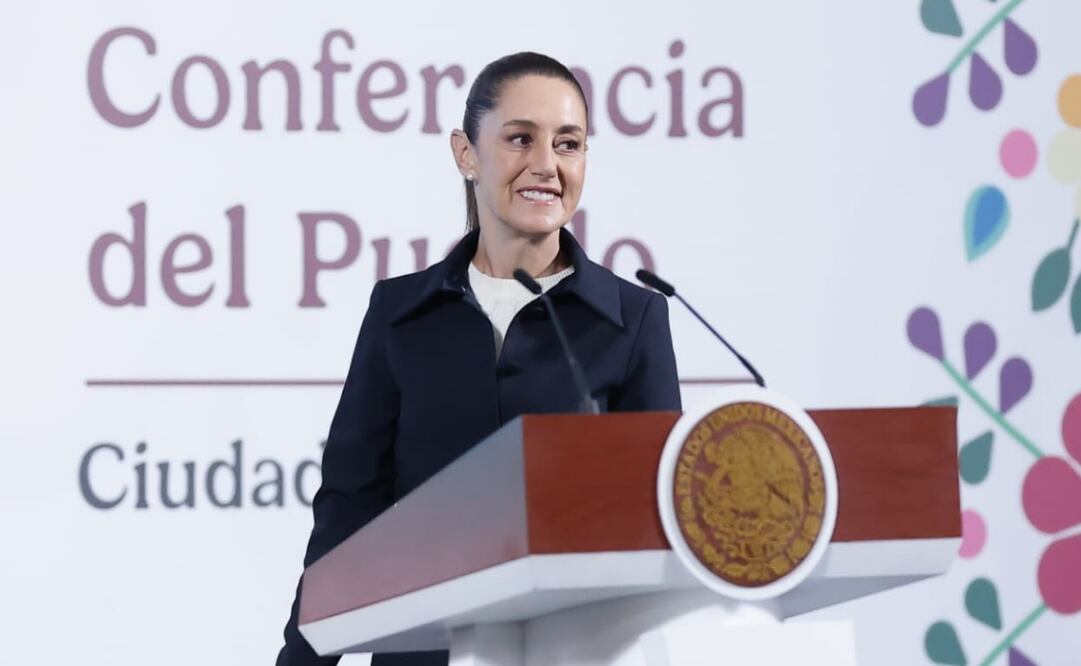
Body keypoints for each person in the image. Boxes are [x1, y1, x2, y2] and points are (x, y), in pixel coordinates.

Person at [276, 51, 681, 666]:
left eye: (569, 144)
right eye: (521, 139)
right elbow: (347, 511)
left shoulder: (633, 320)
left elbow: (660, 527)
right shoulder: (400, 314)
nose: (546, 165)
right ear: (466, 153)